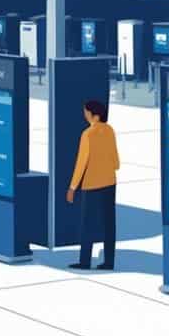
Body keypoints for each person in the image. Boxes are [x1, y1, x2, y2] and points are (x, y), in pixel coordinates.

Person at [67, 100, 120, 271]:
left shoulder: (88, 134)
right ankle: (109, 261)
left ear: (93, 114)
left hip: (92, 184)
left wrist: (72, 187)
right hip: (110, 182)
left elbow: (81, 163)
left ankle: (84, 261)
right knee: (109, 223)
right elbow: (116, 161)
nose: (84, 114)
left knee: (88, 224)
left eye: (86, 111)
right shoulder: (110, 130)